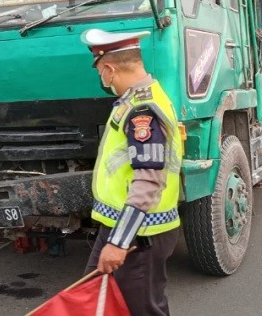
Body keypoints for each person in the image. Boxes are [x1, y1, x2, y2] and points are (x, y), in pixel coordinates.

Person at [80, 28, 183, 316]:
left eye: (100, 72)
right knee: (92, 297)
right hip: (122, 227)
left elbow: (147, 180)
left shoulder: (143, 110)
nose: (102, 79)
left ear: (110, 69)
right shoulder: (133, 101)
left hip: (140, 234)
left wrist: (120, 242)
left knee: (144, 310)